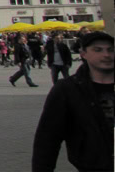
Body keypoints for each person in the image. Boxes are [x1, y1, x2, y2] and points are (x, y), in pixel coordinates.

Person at [31, 31, 114, 172]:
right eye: (98, 50)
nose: (106, 55)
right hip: (94, 166)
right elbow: (48, 137)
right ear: (83, 54)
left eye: (111, 50)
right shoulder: (68, 89)